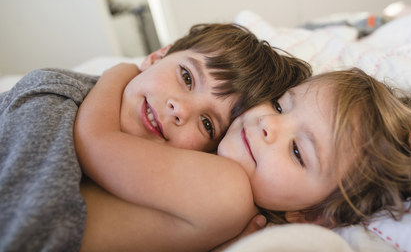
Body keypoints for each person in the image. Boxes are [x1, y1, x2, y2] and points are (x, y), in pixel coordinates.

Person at [0, 23, 312, 252]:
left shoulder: (185, 195)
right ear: (156, 56)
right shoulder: (63, 96)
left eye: (207, 123)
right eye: (187, 77)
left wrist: (118, 73)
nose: (180, 109)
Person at [74, 65, 411, 251]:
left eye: (296, 151)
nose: (269, 125)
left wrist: (118, 73)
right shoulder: (234, 208)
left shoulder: (226, 186)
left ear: (311, 216)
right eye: (279, 104)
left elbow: (93, 142)